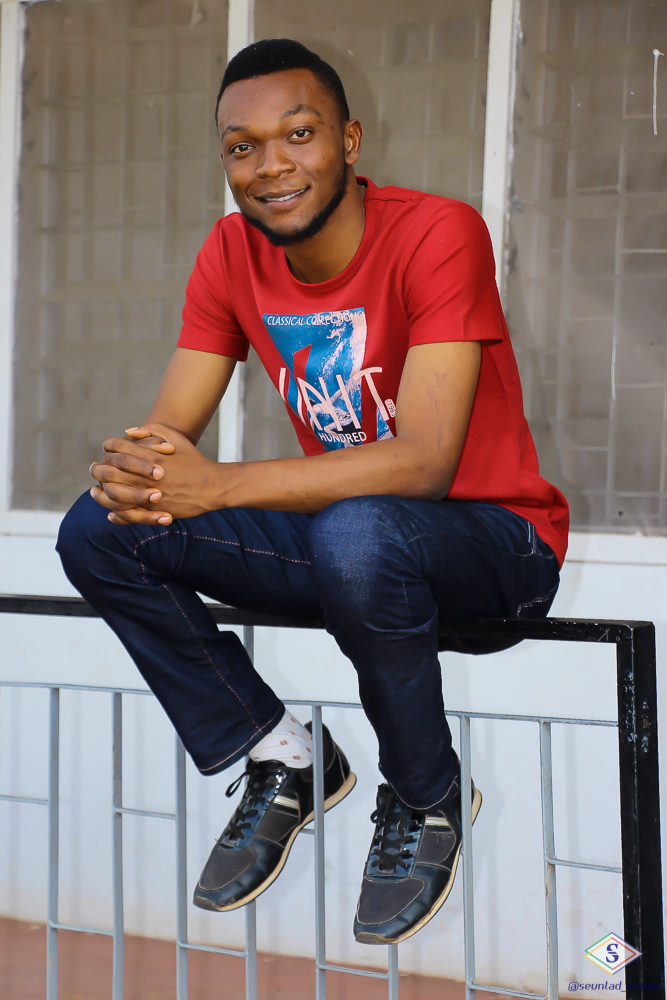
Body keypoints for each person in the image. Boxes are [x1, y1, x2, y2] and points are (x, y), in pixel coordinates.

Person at [57, 38, 569, 946]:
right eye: (241, 146)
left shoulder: (436, 232)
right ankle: (281, 755)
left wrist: (218, 486)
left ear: (349, 141)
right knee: (101, 530)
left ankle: (426, 792)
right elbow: (168, 436)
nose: (270, 164)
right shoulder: (230, 252)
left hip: (495, 546)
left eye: (298, 133)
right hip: (349, 549)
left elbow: (424, 464)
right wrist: (138, 474)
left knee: (359, 531)